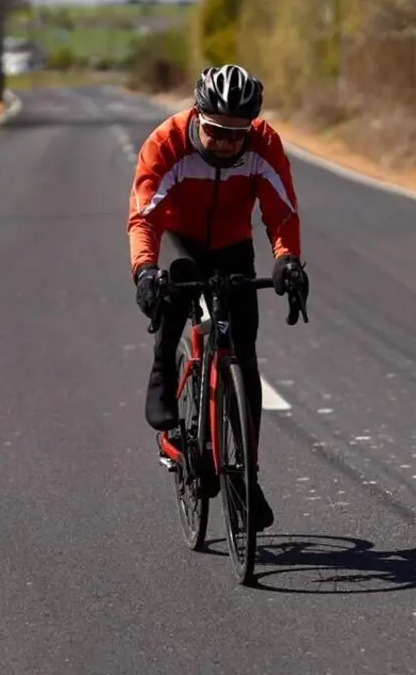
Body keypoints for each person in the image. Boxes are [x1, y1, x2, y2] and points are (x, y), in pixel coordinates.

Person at [127, 64, 310, 531]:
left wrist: (288, 260)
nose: (227, 143)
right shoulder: (167, 142)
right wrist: (145, 271)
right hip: (180, 241)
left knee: (243, 353)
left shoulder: (264, 144)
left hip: (232, 245)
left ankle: (246, 477)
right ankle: (163, 367)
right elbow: (145, 218)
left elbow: (281, 212)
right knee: (177, 279)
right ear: (197, 116)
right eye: (216, 132)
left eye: (237, 134)